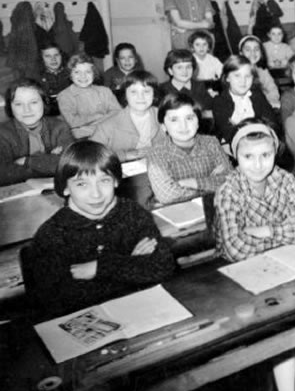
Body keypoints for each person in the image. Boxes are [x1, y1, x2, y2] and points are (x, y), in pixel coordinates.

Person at [214, 120, 295, 391]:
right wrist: (285, 232)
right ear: (236, 156)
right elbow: (236, 249)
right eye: (248, 156)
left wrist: (268, 231)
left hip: (284, 267)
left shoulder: (284, 179)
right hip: (240, 281)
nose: (258, 164)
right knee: (285, 324)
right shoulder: (228, 189)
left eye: (266, 155)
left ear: (276, 152)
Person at [27, 140, 175, 316]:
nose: (95, 194)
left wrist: (99, 268)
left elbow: (164, 265)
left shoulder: (133, 213)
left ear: (116, 181)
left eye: (104, 181)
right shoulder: (53, 233)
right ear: (65, 188)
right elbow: (58, 300)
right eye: (82, 184)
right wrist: (131, 265)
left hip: (139, 311)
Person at [148, 93, 232, 205]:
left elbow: (230, 180)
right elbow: (167, 196)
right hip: (178, 213)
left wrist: (192, 183)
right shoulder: (157, 152)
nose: (183, 126)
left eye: (189, 118)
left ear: (198, 122)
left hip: (213, 206)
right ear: (163, 126)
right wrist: (210, 183)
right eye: (174, 120)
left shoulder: (211, 142)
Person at [0, 78, 74, 186]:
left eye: (33, 102)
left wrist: (27, 161)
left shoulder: (59, 127)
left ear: (44, 102)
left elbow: (70, 163)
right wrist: (49, 162)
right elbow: (3, 174)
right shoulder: (2, 133)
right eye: (18, 104)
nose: (27, 110)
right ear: (10, 107)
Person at [90, 71, 165, 161]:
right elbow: (90, 154)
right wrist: (124, 155)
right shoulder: (107, 125)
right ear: (125, 95)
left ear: (154, 95)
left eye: (146, 91)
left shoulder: (165, 116)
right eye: (133, 92)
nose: (140, 97)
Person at [212, 55, 281, 144]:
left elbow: (272, 123)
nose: (243, 81)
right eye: (237, 76)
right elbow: (228, 132)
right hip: (234, 145)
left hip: (262, 140)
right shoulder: (220, 102)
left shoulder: (258, 96)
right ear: (227, 78)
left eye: (248, 76)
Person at [57, 53, 121, 138]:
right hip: (82, 139)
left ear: (94, 74)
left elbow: (118, 112)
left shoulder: (105, 91)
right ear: (70, 75)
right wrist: (97, 117)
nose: (83, 76)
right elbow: (72, 122)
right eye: (77, 72)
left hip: (108, 133)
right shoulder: (65, 96)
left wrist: (93, 125)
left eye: (87, 72)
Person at [158, 49, 213, 115]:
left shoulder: (200, 86)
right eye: (179, 67)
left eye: (188, 67)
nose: (185, 71)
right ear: (170, 71)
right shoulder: (161, 90)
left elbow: (209, 111)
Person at [238, 35, 281, 108]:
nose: (253, 53)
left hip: (262, 104)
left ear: (261, 52)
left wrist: (270, 100)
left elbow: (273, 89)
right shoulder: (236, 73)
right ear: (241, 53)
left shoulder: (263, 71)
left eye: (256, 49)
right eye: (248, 50)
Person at [37, 42, 71, 114]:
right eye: (48, 56)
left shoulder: (71, 72)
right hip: (48, 111)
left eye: (56, 55)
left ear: (61, 56)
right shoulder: (37, 76)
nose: (53, 59)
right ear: (42, 59)